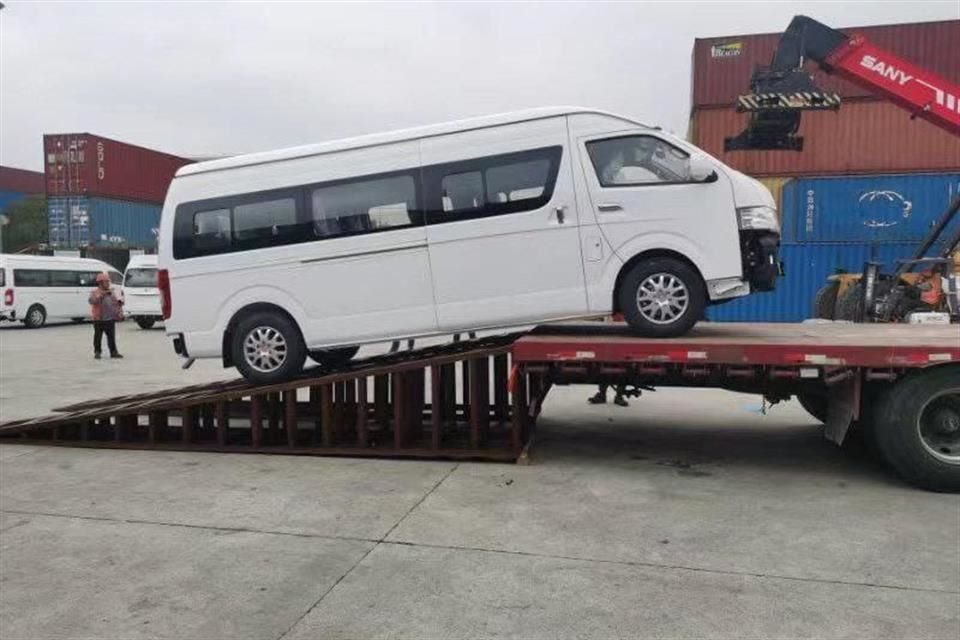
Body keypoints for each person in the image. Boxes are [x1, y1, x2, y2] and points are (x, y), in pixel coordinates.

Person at [88, 272, 124, 359]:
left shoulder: (111, 293)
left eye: (108, 281)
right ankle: (97, 352)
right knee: (97, 337)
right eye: (106, 282)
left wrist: (119, 307)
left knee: (111, 337)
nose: (108, 283)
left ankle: (113, 352)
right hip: (98, 319)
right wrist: (101, 295)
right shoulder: (94, 292)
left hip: (110, 319)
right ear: (100, 283)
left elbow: (115, 304)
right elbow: (92, 301)